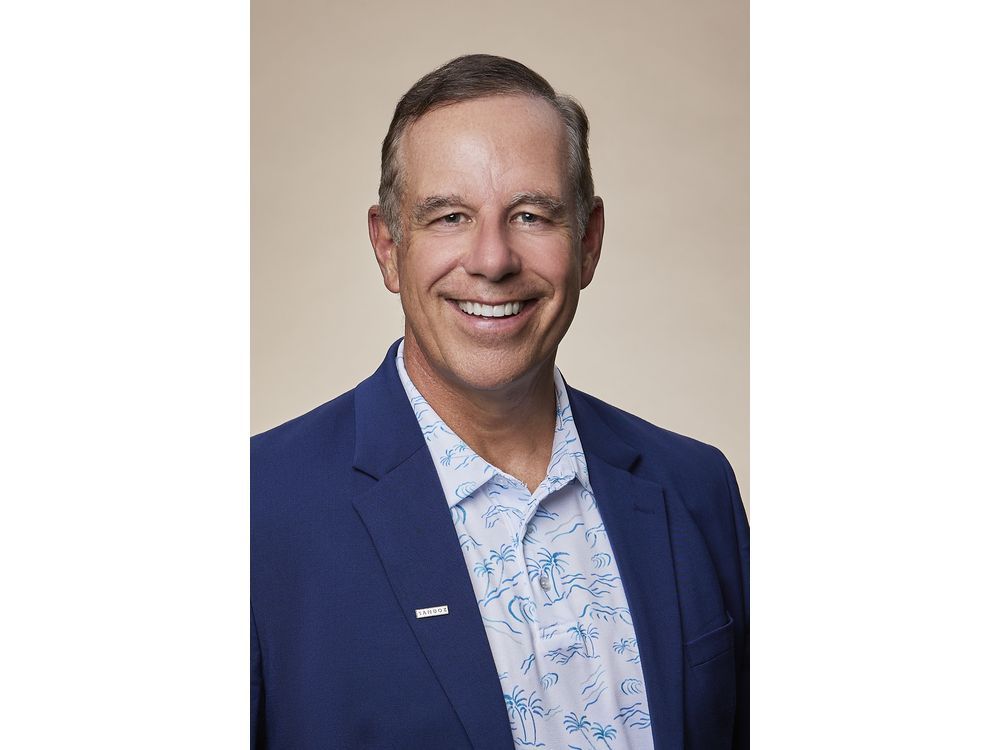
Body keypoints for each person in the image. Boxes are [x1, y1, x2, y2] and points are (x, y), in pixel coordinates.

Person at [251, 54, 748, 750]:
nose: (492, 260)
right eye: (450, 216)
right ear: (389, 247)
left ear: (588, 242)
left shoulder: (695, 488)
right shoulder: (257, 511)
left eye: (531, 215)